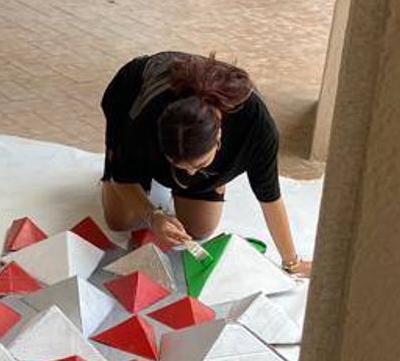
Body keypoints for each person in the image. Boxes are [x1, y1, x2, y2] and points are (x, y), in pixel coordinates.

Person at [100, 51, 312, 276]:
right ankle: (149, 166)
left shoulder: (257, 127)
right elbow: (122, 179)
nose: (190, 174)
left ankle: (216, 178)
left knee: (200, 229)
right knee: (119, 221)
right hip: (132, 90)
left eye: (199, 166)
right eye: (179, 165)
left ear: (220, 137)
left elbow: (270, 198)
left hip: (214, 135)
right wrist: (153, 216)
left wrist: (292, 262)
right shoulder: (145, 118)